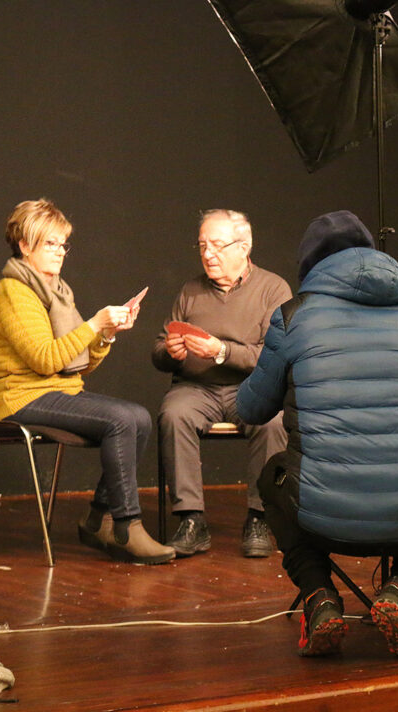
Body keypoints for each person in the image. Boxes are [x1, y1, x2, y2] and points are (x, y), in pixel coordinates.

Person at [237, 210, 398, 658]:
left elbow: (251, 409)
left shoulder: (293, 316)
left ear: (310, 266)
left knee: (272, 477)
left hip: (324, 520)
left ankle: (319, 597)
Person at [0, 198, 174, 565]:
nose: (59, 252)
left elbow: (76, 366)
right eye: (49, 243)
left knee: (140, 417)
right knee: (121, 419)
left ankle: (99, 519)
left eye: (62, 244)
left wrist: (106, 335)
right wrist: (93, 325)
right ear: (25, 245)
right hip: (17, 397)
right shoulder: (14, 292)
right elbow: (45, 359)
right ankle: (126, 526)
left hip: (54, 391)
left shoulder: (57, 292)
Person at [152, 209, 291, 558]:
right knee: (174, 414)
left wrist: (222, 351)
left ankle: (260, 517)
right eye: (202, 246)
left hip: (252, 386)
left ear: (243, 247)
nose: (207, 254)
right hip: (197, 388)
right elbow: (158, 350)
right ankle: (191, 520)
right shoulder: (190, 290)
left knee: (272, 420)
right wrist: (170, 352)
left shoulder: (273, 289)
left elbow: (279, 354)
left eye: (216, 245)